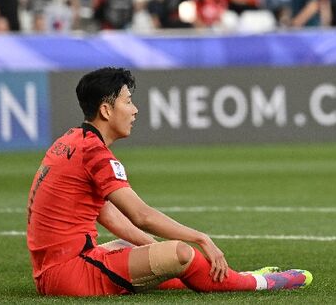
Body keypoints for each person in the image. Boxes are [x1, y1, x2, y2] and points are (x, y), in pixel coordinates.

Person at [26, 67, 313, 296]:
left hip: (53, 270)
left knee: (143, 249)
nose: (135, 109)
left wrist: (151, 247)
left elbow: (108, 216)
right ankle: (256, 283)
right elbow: (141, 215)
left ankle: (242, 275)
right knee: (180, 252)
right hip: (71, 273)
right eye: (128, 102)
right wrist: (201, 237)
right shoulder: (96, 153)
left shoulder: (73, 139)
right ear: (106, 110)